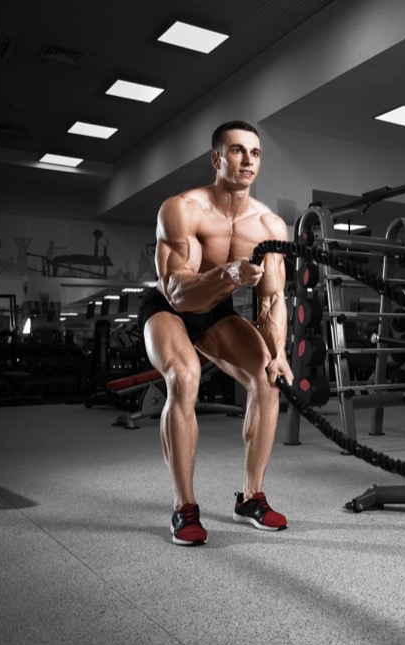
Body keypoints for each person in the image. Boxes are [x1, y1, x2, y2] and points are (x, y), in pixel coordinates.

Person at [140, 120, 293, 545]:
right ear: (217, 158)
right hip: (169, 308)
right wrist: (227, 273)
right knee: (184, 376)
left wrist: (277, 350)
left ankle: (251, 497)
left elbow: (271, 300)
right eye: (238, 150)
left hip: (217, 312)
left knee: (267, 378)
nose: (248, 160)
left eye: (256, 153)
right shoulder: (182, 209)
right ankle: (184, 507)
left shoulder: (269, 226)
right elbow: (176, 292)